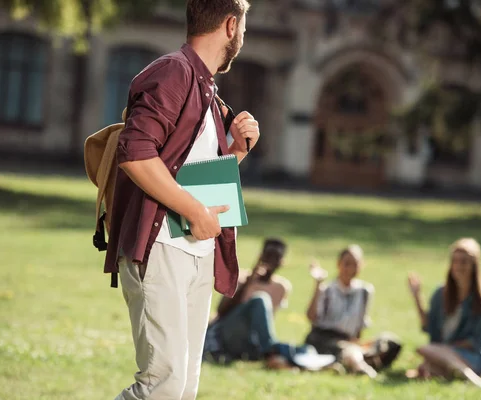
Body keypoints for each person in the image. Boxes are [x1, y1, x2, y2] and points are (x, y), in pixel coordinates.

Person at [106, 1, 259, 399]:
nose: (243, 35)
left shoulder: (205, 86)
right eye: (244, 26)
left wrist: (235, 153)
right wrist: (193, 211)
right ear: (231, 26)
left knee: (182, 388)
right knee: (163, 386)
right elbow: (135, 154)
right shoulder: (174, 71)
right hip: (161, 248)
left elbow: (188, 173)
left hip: (196, 252)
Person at [407, 237, 481, 388]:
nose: (458, 266)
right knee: (427, 366)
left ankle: (477, 381)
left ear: (474, 265)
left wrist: (444, 349)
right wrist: (417, 297)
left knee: (426, 351)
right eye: (455, 261)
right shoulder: (440, 294)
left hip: (474, 357)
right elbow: (428, 327)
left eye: (464, 261)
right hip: (442, 352)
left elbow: (475, 341)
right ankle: (455, 373)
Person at [203, 238, 292, 366]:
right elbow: (221, 311)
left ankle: (270, 353)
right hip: (227, 333)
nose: (270, 262)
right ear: (261, 256)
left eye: (275, 258)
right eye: (268, 256)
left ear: (281, 262)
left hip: (249, 340)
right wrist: (249, 281)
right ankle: (271, 351)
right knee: (260, 299)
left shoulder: (281, 287)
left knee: (261, 300)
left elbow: (267, 321)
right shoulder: (241, 278)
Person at [304, 245, 382, 377]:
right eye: (347, 264)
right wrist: (317, 285)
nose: (350, 269)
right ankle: (361, 368)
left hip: (348, 340)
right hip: (323, 338)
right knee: (348, 350)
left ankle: (344, 362)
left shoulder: (365, 291)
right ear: (338, 264)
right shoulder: (327, 289)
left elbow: (359, 325)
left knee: (388, 343)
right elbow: (311, 317)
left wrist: (356, 342)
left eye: (355, 264)